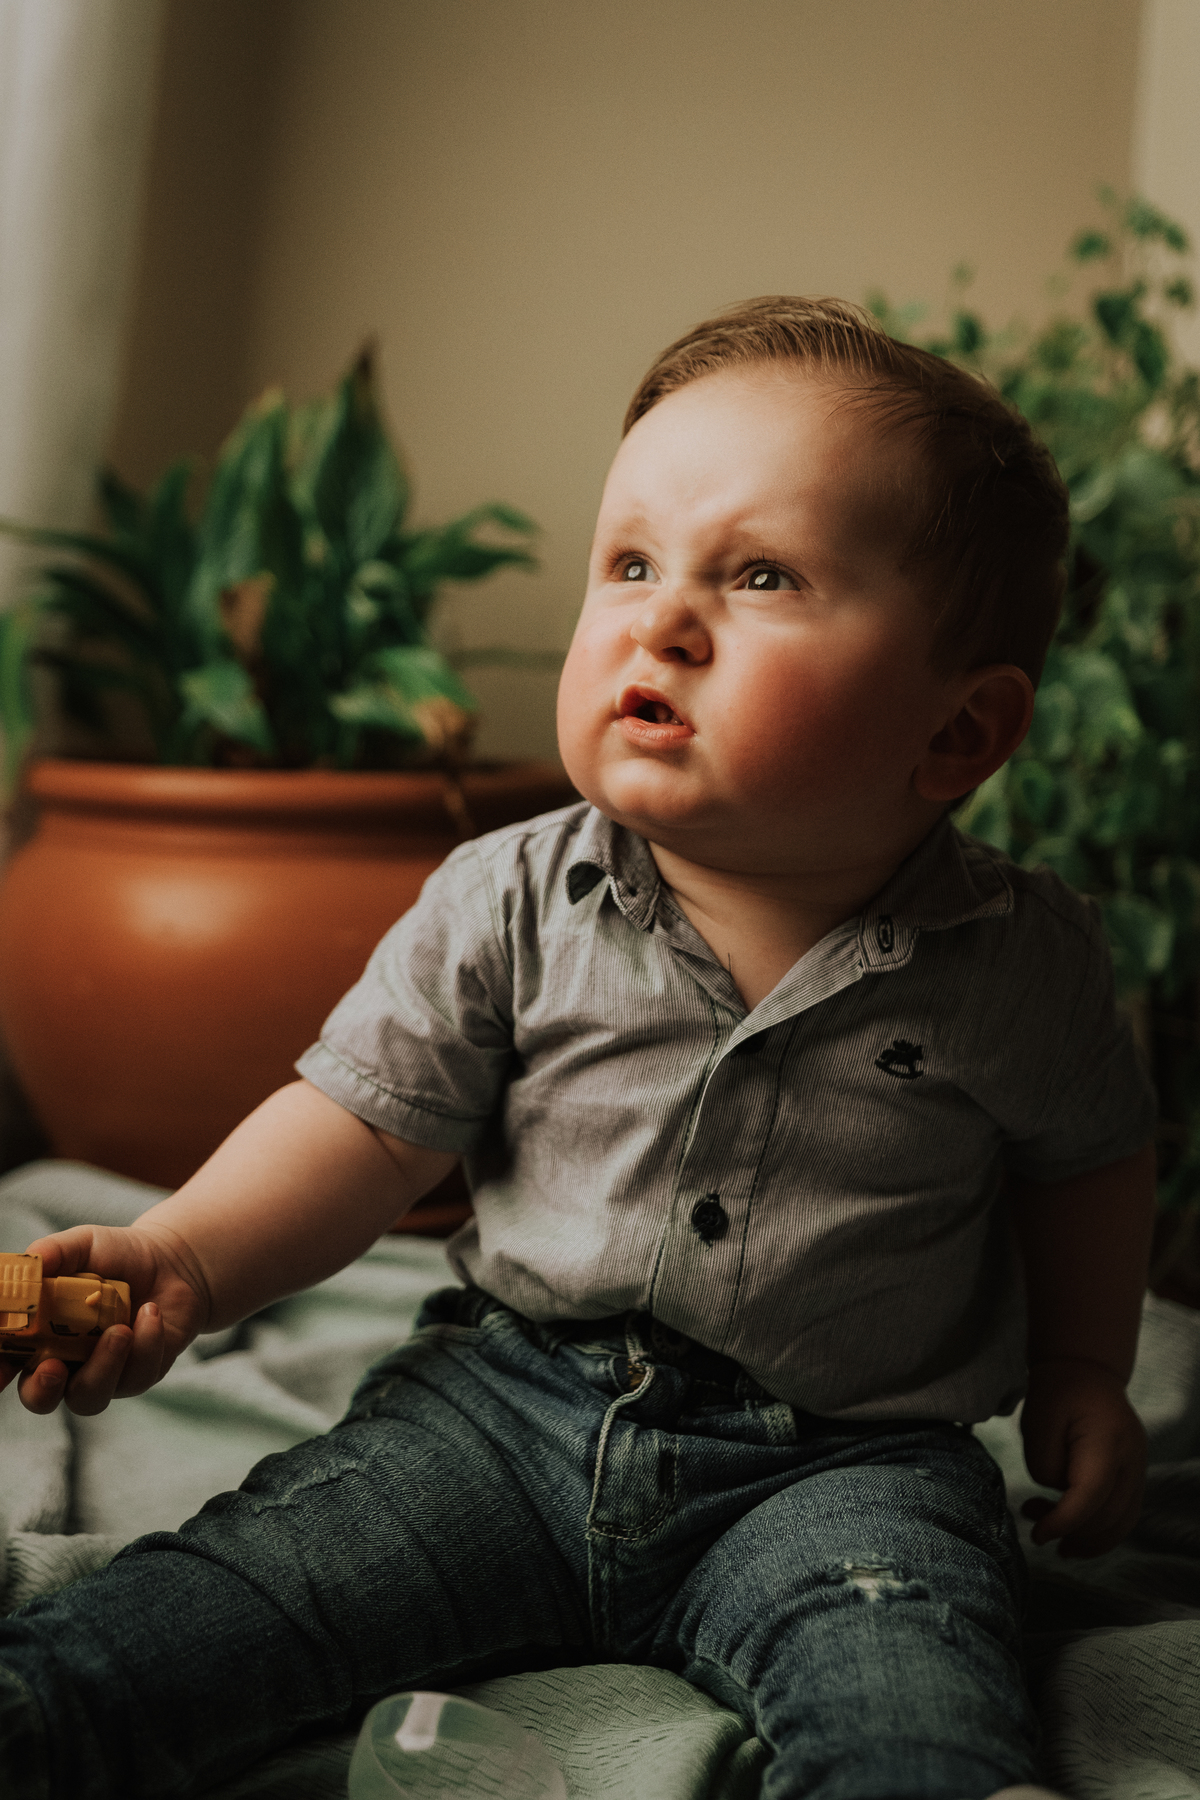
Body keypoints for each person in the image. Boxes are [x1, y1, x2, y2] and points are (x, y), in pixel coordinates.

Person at [0, 298, 1156, 1800]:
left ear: (958, 733)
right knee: (214, 1607)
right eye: (630, 562)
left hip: (848, 1469)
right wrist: (186, 1258)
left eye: (761, 575)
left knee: (914, 1704)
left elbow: (1087, 1158)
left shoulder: (1020, 961)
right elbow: (365, 1126)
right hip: (502, 1412)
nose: (660, 620)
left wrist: (1085, 1364)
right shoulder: (510, 896)